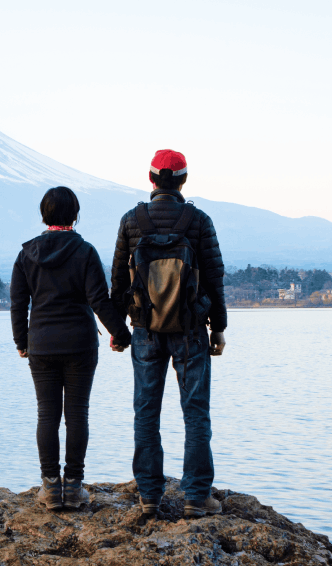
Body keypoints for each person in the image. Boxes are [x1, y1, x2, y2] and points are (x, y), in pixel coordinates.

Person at [110, 149, 227, 520]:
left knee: (146, 412)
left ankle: (149, 495)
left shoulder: (132, 221)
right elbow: (214, 277)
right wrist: (218, 328)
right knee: (196, 413)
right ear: (183, 181)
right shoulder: (198, 220)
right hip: (191, 330)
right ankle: (196, 496)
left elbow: (117, 281)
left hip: (144, 329)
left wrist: (117, 330)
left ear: (151, 180)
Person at [11, 186, 132, 511]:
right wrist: (120, 334)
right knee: (77, 413)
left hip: (42, 344)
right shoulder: (85, 252)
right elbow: (99, 300)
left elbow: (18, 303)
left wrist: (21, 341)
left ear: (44, 215)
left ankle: (51, 488)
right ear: (75, 215)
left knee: (47, 415)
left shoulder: (26, 254)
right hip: (80, 343)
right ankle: (74, 487)